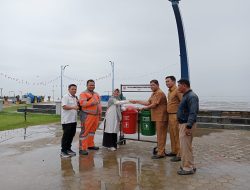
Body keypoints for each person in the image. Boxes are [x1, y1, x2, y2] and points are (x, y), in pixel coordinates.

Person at [131, 80, 168, 159]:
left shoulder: (159, 93)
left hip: (161, 117)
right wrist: (137, 101)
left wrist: (143, 108)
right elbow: (148, 102)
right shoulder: (154, 93)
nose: (151, 87)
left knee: (161, 135)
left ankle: (161, 153)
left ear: (158, 85)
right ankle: (160, 150)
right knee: (159, 135)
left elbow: (154, 105)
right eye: (150, 85)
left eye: (153, 85)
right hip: (157, 117)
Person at [176, 79, 199, 175]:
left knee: (185, 147)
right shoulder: (186, 95)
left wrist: (188, 126)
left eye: (179, 85)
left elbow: (193, 112)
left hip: (186, 124)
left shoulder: (192, 96)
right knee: (186, 147)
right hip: (184, 124)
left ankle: (187, 168)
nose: (178, 87)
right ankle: (190, 165)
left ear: (184, 85)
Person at [79, 79, 102, 155]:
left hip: (96, 116)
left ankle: (90, 145)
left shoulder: (96, 94)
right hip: (87, 115)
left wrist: (100, 113)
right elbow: (82, 103)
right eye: (90, 85)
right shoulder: (83, 94)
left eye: (93, 85)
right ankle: (82, 148)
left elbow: (99, 104)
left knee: (92, 132)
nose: (92, 86)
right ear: (87, 85)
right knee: (84, 132)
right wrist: (92, 102)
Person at [165, 76, 182, 162]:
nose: (166, 83)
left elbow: (182, 102)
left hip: (176, 115)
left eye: (168, 81)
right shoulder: (169, 91)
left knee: (177, 135)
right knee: (172, 134)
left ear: (173, 81)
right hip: (170, 115)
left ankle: (179, 154)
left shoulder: (177, 90)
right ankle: (174, 151)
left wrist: (180, 115)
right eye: (166, 82)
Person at [60, 84, 78, 158]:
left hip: (73, 120)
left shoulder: (75, 98)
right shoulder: (65, 97)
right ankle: (63, 151)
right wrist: (73, 107)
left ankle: (68, 149)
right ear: (69, 89)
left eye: (75, 89)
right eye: (72, 89)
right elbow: (64, 107)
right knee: (66, 136)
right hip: (67, 120)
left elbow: (77, 107)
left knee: (71, 135)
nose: (74, 90)